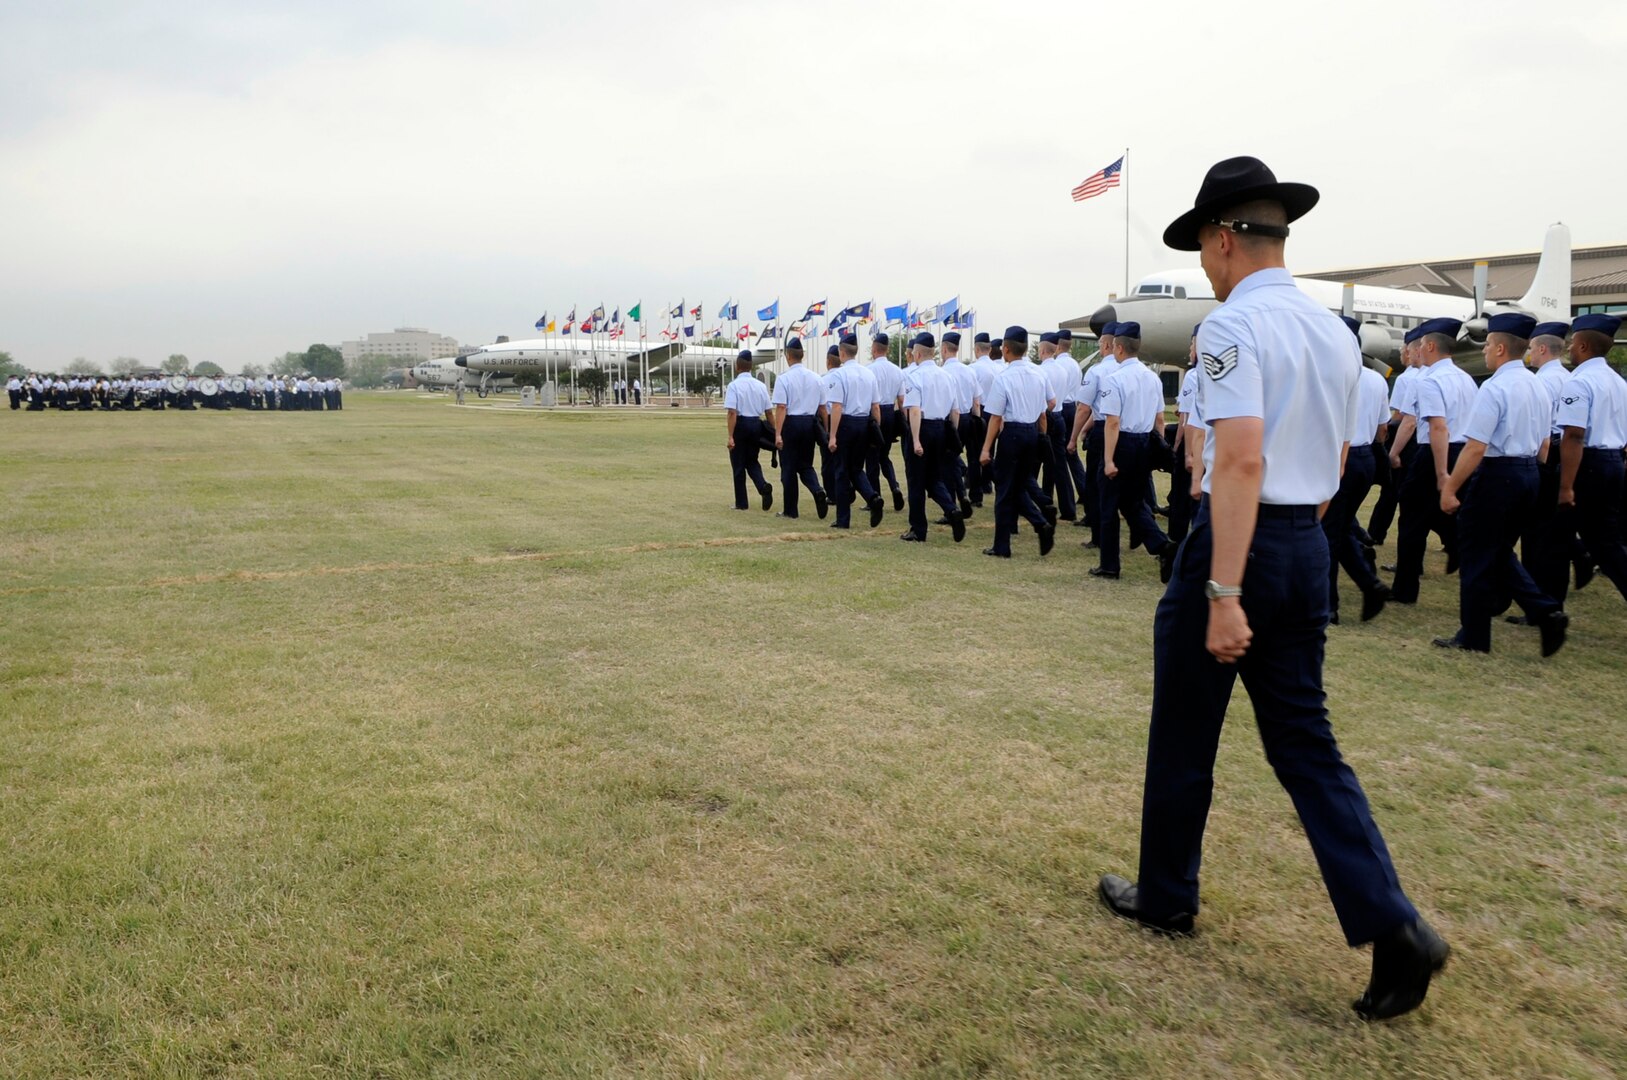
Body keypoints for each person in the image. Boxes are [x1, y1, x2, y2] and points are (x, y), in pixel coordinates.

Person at [1099, 157, 1446, 1022]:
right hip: (1300, 540)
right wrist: (1287, 543)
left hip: (1238, 542)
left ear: (1222, 241)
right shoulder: (1333, 333)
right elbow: (1329, 460)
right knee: (1304, 743)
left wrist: (1223, 586)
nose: (1209, 268)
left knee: (1184, 729)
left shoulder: (1227, 330)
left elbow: (1241, 456)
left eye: (1205, 252)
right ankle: (1393, 925)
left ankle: (1167, 893)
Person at [1434, 313, 1567, 654]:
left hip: (1498, 474)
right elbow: (1545, 444)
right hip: (1528, 473)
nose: (1484, 351)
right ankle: (1544, 610)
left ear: (1501, 348)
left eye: (1489, 344)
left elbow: (1476, 446)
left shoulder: (1494, 387)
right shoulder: (1537, 384)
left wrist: (1450, 487)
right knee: (1495, 550)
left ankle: (1476, 637)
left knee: (1478, 554)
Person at [1389, 319, 1475, 604]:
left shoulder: (1428, 380)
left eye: (1421, 345)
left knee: (1411, 519)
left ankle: (1405, 588)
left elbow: (1436, 427)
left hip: (1435, 452)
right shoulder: (1465, 379)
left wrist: (1441, 474)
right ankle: (1460, 552)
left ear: (1430, 346)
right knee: (1454, 515)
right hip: (1462, 450)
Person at [1323, 315, 1392, 624]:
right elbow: (1382, 430)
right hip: (1365, 459)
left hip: (1341, 457)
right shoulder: (1377, 378)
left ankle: (1330, 607)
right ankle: (1370, 585)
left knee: (1327, 534)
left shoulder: (1333, 374)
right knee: (1338, 529)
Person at [1093, 321, 1174, 580]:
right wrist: (1158, 448)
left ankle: (1109, 564)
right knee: (1134, 503)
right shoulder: (1153, 378)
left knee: (1109, 505)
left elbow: (1113, 422)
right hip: (1144, 442)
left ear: (1118, 348)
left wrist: (1108, 459)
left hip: (1122, 444)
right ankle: (1162, 545)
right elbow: (1160, 419)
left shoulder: (1114, 379)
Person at [1555, 313, 1627, 602]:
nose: (1569, 348)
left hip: (1588, 465)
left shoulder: (1578, 382)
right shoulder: (1619, 383)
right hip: (1613, 462)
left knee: (1555, 535)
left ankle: (1546, 608)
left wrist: (1565, 486)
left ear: (1584, 346)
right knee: (1605, 541)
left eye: (1572, 343)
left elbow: (1573, 435)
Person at [978, 326, 1055, 558]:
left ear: (1006, 349)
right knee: (1019, 485)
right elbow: (1047, 408)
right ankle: (1040, 523)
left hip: (1012, 434)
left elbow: (995, 417)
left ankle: (1002, 545)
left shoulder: (1004, 377)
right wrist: (1041, 434)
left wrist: (985, 448)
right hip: (1031, 432)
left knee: (1004, 489)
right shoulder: (1039, 374)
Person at [899, 333, 966, 543]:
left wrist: (916, 440)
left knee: (917, 481)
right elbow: (955, 412)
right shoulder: (947, 376)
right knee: (934, 478)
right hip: (942, 428)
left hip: (923, 427)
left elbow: (915, 411)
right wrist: (951, 435)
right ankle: (952, 510)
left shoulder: (915, 376)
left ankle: (918, 529)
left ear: (917, 354)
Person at [827, 334, 886, 529]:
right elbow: (876, 407)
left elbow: (836, 407)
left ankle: (843, 519)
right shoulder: (869, 374)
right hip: (864, 423)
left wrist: (833, 435)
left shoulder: (839, 374)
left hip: (845, 424)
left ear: (841, 353)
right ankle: (873, 497)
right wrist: (875, 431)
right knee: (856, 469)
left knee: (842, 472)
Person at [769, 337, 829, 520]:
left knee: (788, 468)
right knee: (805, 465)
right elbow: (822, 408)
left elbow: (781, 407)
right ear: (802, 355)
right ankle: (817, 489)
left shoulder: (784, 378)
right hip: (810, 424)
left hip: (791, 424)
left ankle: (790, 510)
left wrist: (778, 433)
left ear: (788, 356)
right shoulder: (816, 378)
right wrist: (825, 430)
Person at [1074, 324, 1121, 545]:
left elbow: (1085, 407)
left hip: (1104, 431)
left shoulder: (1097, 371)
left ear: (1106, 346)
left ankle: (1098, 535)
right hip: (1128, 433)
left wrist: (1074, 436)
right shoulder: (1136, 371)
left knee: (1096, 484)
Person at [1038, 332, 1081, 522]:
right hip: (1061, 416)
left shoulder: (1041, 371)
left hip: (1047, 415)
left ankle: (1042, 501)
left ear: (1041, 351)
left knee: (1038, 462)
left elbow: (1045, 399)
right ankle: (1068, 507)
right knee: (1059, 465)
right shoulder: (1063, 370)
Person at [724, 351, 774, 512]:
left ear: (737, 366)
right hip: (756, 424)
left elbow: (732, 412)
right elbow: (769, 412)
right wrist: (775, 432)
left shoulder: (734, 386)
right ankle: (762, 486)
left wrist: (731, 436)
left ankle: (741, 502)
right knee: (752, 460)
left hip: (741, 424)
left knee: (738, 464)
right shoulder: (760, 386)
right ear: (751, 366)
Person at [1166, 328, 1202, 544]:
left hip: (1193, 442)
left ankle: (1176, 540)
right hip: (1211, 445)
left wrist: (1180, 447)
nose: (1190, 350)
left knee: (1181, 496)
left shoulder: (1193, 375)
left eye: (1192, 345)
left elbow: (1185, 418)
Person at [864, 333, 906, 512]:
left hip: (875, 412)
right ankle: (894, 486)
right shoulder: (897, 370)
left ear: (874, 349)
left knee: (872, 458)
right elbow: (902, 400)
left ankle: (875, 496)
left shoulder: (869, 370)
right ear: (887, 349)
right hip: (891, 413)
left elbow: (869, 399)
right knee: (885, 456)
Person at [940, 331, 980, 518]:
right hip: (967, 419)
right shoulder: (969, 371)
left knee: (948, 463)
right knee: (956, 460)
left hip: (949, 420)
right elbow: (976, 401)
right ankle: (963, 495)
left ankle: (952, 506)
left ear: (945, 349)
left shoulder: (943, 372)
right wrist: (977, 422)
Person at [969, 333, 1002, 503]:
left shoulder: (973, 369)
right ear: (989, 349)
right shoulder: (999, 368)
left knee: (975, 454)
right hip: (996, 411)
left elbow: (974, 398)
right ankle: (988, 484)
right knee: (991, 450)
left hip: (980, 410)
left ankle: (976, 494)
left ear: (976, 349)